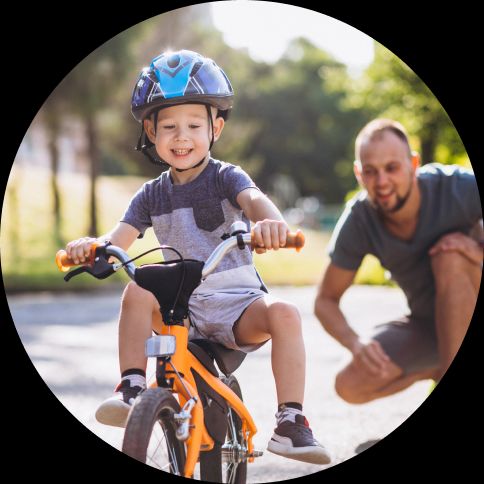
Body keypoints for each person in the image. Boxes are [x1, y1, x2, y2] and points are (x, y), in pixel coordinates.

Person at [65, 50, 330, 464]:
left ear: (216, 128)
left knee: (286, 314)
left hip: (236, 305)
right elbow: (118, 239)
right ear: (151, 133)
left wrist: (271, 225)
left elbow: (256, 202)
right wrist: (92, 247)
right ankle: (132, 386)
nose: (181, 136)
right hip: (178, 310)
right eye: (168, 126)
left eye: (193, 125)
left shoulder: (227, 177)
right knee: (136, 289)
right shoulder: (152, 194)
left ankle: (290, 421)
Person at [314, 118, 482, 404]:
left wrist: (475, 250)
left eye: (392, 168)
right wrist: (356, 343)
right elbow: (325, 301)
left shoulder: (458, 188)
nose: (382, 182)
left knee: (449, 255)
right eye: (371, 171)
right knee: (350, 385)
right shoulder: (360, 219)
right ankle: (442, 367)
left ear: (413, 164)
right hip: (428, 324)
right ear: (359, 173)